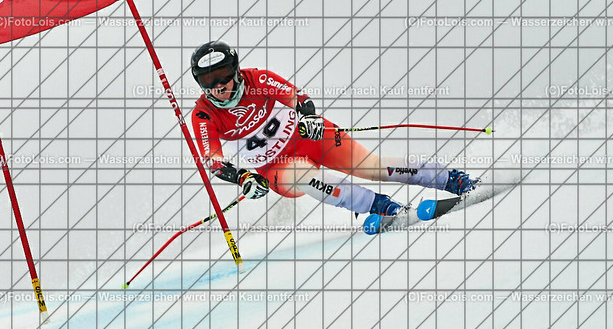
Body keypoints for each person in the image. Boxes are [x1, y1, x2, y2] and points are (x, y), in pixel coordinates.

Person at [190, 40, 478, 233]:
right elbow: (213, 161)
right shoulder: (204, 114)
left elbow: (299, 98)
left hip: (308, 137)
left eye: (223, 75)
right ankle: (382, 207)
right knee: (302, 175)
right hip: (275, 168)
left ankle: (453, 180)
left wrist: (309, 117)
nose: (218, 86)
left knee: (371, 166)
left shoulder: (257, 78)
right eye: (208, 81)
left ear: (236, 70)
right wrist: (243, 177)